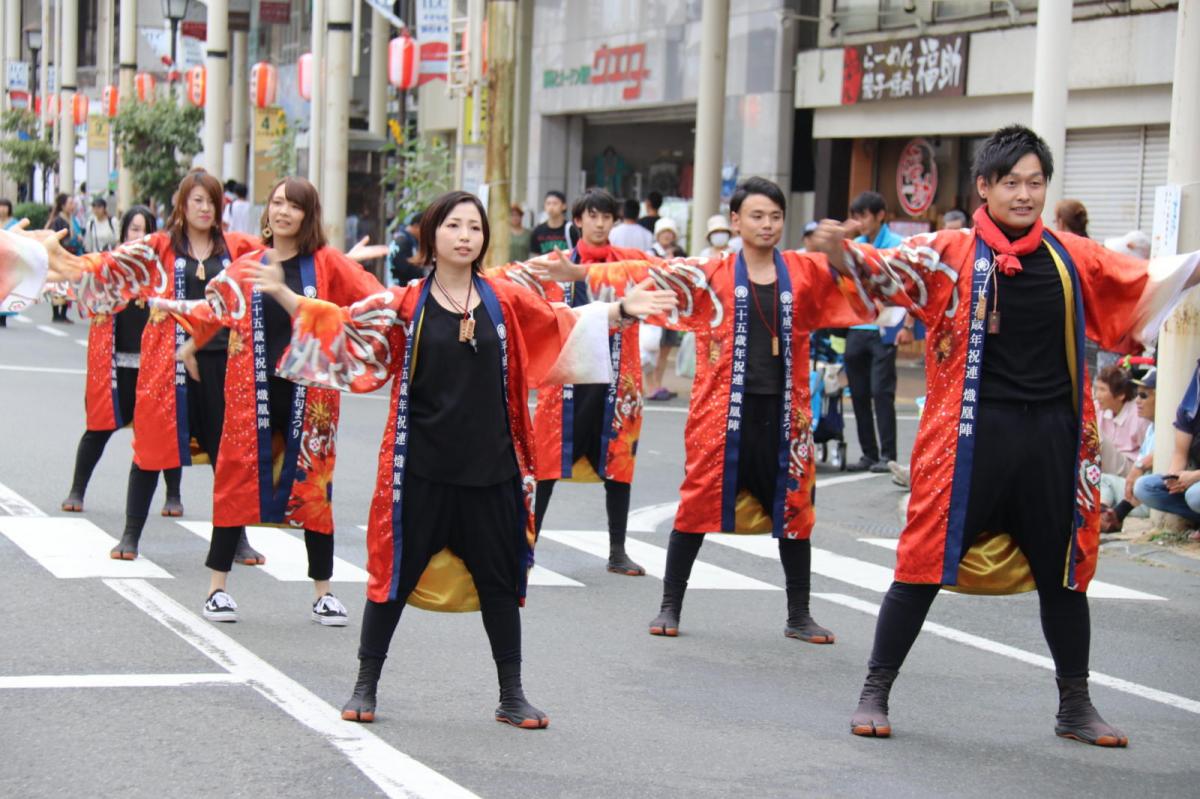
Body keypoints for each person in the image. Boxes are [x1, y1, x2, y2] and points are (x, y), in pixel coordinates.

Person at [809, 124, 1200, 747]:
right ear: (984, 186)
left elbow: (1141, 281)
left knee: (1064, 573)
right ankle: (874, 689)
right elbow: (885, 273)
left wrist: (1192, 270)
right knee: (920, 564)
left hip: (1054, 436)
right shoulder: (950, 251)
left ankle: (1075, 704)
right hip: (968, 437)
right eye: (1011, 182)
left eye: (1036, 182)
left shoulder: (1072, 255)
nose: (1025, 194)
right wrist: (842, 253)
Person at [261, 189, 675, 727]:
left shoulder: (504, 300)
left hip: (493, 469)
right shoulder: (406, 302)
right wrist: (288, 297)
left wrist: (619, 310)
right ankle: (365, 686)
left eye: (474, 228)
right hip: (420, 469)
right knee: (393, 578)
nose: (465, 236)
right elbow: (343, 326)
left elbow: (560, 323)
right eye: (454, 226)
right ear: (432, 235)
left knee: (499, 581)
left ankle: (511, 694)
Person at [528, 177, 874, 642]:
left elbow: (859, 286)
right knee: (696, 505)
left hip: (785, 412)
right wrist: (584, 275)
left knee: (794, 506)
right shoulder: (710, 274)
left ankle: (799, 614)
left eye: (774, 216)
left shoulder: (804, 271)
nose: (767, 224)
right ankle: (670, 605)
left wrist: (838, 252)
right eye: (756, 215)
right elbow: (649, 273)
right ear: (735, 221)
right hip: (721, 410)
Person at [163, 177, 385, 624]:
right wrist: (183, 331)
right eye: (278, 203)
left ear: (308, 215)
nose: (283, 212)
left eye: (294, 205)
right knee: (235, 481)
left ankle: (323, 592)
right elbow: (216, 309)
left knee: (314, 489)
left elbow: (373, 298)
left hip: (312, 394)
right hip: (252, 393)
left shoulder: (325, 263)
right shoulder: (247, 265)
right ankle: (217, 588)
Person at [48, 170, 267, 564]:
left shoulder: (234, 247)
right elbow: (112, 263)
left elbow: (277, 256)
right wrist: (60, 262)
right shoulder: (160, 246)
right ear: (182, 205)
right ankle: (131, 534)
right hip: (167, 364)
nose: (206, 208)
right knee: (150, 448)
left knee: (228, 454)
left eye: (212, 201)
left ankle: (237, 540)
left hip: (222, 364)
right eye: (198, 200)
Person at [495, 188, 652, 576]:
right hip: (565, 376)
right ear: (577, 221)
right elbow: (509, 281)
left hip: (617, 379)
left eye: (607, 217)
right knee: (546, 465)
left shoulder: (629, 264)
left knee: (618, 463)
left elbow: (672, 275)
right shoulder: (553, 264)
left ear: (614, 222)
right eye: (592, 216)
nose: (600, 223)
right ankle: (526, 547)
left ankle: (617, 550)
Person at [60, 207, 184, 517]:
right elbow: (84, 295)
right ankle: (77, 489)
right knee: (99, 428)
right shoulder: (111, 268)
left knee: (163, 430)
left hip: (156, 365)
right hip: (117, 364)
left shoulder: (164, 274)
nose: (138, 236)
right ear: (123, 233)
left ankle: (173, 495)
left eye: (145, 231)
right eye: (133, 230)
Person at [844, 190, 908, 472]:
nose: (861, 221)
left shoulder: (897, 244)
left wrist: (906, 325)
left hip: (886, 325)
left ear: (880, 215)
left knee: (882, 391)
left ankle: (888, 454)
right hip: (858, 325)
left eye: (864, 216)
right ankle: (868, 453)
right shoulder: (854, 245)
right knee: (858, 392)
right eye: (856, 216)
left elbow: (908, 287)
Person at [1134, 361, 1200, 541]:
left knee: (1195, 495)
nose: (1137, 400)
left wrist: (1194, 476)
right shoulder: (1190, 408)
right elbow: (1180, 453)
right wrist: (1174, 478)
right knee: (1145, 487)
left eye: (1143, 395)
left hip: (1197, 482)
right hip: (1194, 479)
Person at [1101, 367, 1156, 532]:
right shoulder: (1152, 427)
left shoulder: (1166, 427)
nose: (1138, 400)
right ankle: (1104, 515)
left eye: (1144, 395)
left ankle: (1108, 516)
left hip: (1149, 497)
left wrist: (1139, 466)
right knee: (1099, 481)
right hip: (1133, 492)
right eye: (1138, 394)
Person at [1093, 364, 1150, 510]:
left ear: (1120, 395)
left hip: (1130, 467)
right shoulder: (1099, 408)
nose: (1097, 395)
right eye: (1096, 388)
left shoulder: (1137, 414)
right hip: (1106, 466)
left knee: (1093, 433)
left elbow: (1148, 451)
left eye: (1102, 390)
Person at [646, 217, 687, 401]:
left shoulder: (679, 254)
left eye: (670, 232)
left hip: (672, 306)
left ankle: (658, 383)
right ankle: (650, 386)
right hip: (655, 305)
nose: (667, 236)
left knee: (666, 348)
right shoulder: (651, 253)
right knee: (653, 348)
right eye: (664, 232)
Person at [46, 193, 83, 323]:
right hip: (60, 256)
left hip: (70, 256)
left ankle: (63, 312)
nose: (72, 206)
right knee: (58, 284)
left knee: (67, 285)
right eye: (70, 203)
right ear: (63, 206)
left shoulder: (73, 219)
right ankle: (57, 313)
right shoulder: (58, 220)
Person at [528, 190, 570, 256]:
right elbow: (535, 256)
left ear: (564, 206)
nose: (551, 207)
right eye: (548, 203)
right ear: (544, 206)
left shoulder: (571, 229)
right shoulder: (537, 231)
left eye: (555, 203)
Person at [387, 211, 424, 286]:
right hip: (399, 286)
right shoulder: (402, 241)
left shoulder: (409, 239)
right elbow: (402, 268)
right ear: (416, 226)